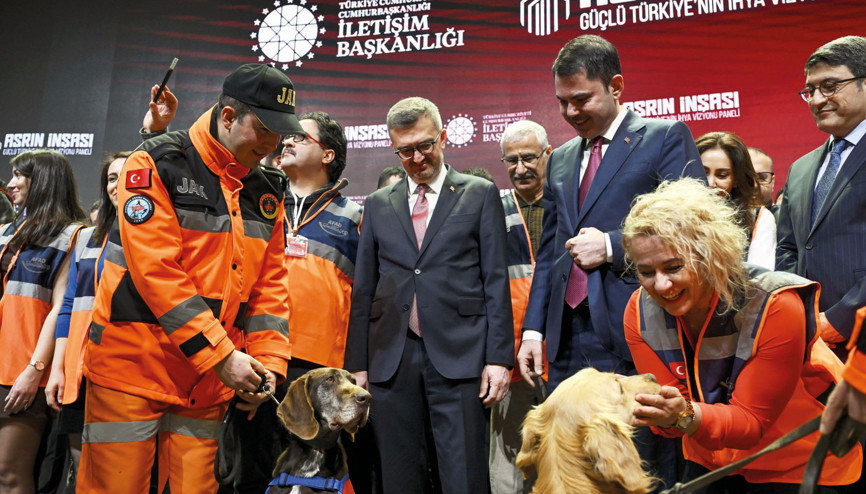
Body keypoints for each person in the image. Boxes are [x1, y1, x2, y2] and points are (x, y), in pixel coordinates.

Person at [78, 63, 298, 493]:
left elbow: (271, 289)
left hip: (209, 383)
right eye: (266, 128)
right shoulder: (156, 162)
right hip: (132, 370)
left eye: (282, 131)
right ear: (229, 116)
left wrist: (269, 369)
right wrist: (222, 356)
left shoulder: (266, 190)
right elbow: (156, 272)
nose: (274, 143)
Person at [516, 34, 703, 487]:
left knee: (643, 461)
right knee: (574, 466)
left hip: (637, 327)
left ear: (616, 86)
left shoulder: (663, 139)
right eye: (562, 103)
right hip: (565, 338)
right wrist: (535, 329)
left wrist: (614, 245)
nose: (570, 112)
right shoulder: (559, 158)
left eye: (581, 99)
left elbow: (693, 224)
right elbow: (551, 252)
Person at [622, 177, 861, 492]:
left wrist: (682, 416)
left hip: (798, 460)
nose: (661, 285)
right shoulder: (639, 311)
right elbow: (672, 416)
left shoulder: (775, 303)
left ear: (710, 254)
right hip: (712, 460)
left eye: (674, 266)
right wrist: (667, 416)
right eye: (646, 272)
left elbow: (750, 423)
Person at [345, 96, 513, 493]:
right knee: (398, 478)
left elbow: (495, 280)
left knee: (464, 477)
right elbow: (364, 287)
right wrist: (358, 364)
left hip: (462, 355)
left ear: (442, 138)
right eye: (405, 150)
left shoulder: (479, 193)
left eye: (425, 145)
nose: (417, 158)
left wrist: (498, 358)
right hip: (390, 358)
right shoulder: (378, 204)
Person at [0, 149, 86, 494]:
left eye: (20, 175)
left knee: (10, 474)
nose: (11, 183)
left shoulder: (73, 236)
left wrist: (35, 368)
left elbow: (61, 307)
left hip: (22, 371)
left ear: (44, 180)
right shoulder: (8, 231)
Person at [44, 151, 130, 489]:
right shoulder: (85, 237)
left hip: (126, 373)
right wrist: (56, 368)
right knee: (82, 477)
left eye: (125, 175)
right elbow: (68, 306)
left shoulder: (157, 236)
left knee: (120, 477)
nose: (117, 184)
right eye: (111, 177)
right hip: (80, 372)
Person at [777, 35, 866, 353]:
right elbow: (788, 248)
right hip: (811, 343)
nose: (816, 99)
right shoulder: (800, 169)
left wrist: (841, 318)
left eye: (829, 86)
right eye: (810, 90)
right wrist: (800, 313)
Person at [491, 120, 551, 494]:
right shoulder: (491, 208)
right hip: (509, 355)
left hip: (564, 348)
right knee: (507, 456)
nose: (520, 168)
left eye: (529, 158)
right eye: (511, 160)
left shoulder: (573, 202)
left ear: (548, 155)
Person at [697, 132, 776, 270]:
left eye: (722, 175)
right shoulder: (670, 216)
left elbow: (759, 279)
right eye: (703, 172)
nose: (710, 183)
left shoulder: (758, 219)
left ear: (736, 180)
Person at [748, 147, 777, 214]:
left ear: (772, 182)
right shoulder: (720, 220)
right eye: (747, 177)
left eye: (761, 178)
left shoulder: (787, 221)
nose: (755, 185)